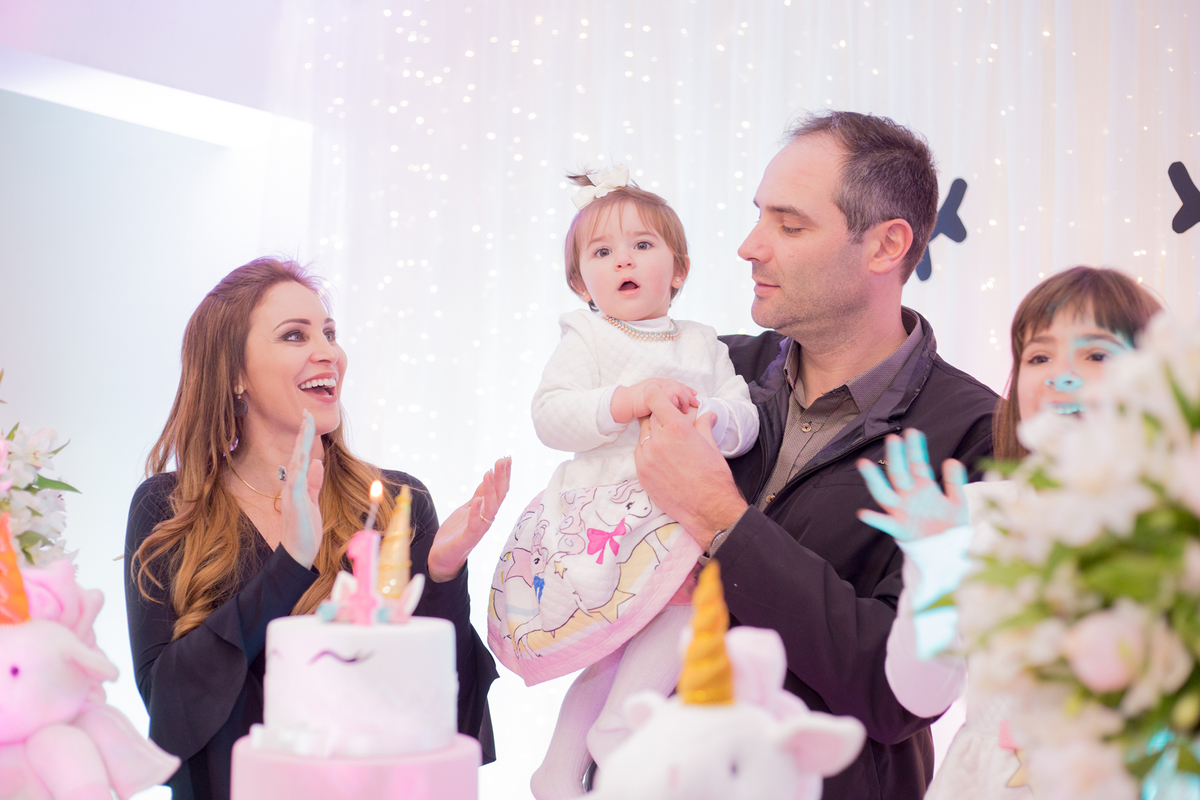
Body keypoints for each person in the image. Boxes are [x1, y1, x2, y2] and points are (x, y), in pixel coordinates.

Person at [631, 110, 1000, 798]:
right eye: (759, 217)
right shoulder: (712, 373)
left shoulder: (976, 437)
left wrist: (721, 518)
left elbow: (896, 695)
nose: (749, 246)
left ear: (886, 245)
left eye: (790, 226)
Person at [124, 258, 511, 800]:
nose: (328, 351)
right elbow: (170, 713)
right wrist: (289, 563)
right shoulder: (169, 508)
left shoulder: (396, 504)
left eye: (329, 333)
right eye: (294, 335)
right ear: (234, 375)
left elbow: (447, 715)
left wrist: (443, 578)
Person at [487, 165, 758, 799]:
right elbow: (551, 414)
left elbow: (745, 415)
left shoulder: (703, 343)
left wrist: (713, 420)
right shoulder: (587, 334)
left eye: (642, 245)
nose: (624, 260)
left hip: (677, 513)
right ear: (581, 283)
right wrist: (628, 400)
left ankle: (608, 731)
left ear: (678, 270)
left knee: (686, 610)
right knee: (615, 642)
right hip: (606, 517)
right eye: (602, 253)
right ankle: (567, 760)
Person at [858, 266, 1163, 799]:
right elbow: (920, 694)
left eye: (1096, 355)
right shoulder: (979, 513)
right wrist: (935, 565)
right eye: (1039, 357)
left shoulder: (1175, 520)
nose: (1061, 375)